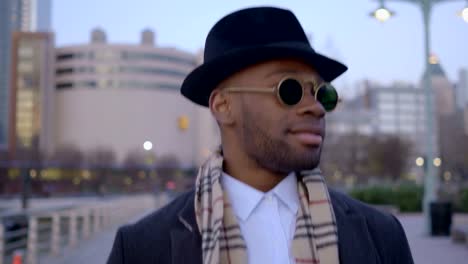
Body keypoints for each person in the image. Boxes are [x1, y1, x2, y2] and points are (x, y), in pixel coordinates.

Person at [107, 6, 414, 264]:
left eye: (322, 93)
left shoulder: (381, 235)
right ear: (223, 106)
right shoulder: (141, 248)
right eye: (289, 90)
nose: (316, 108)